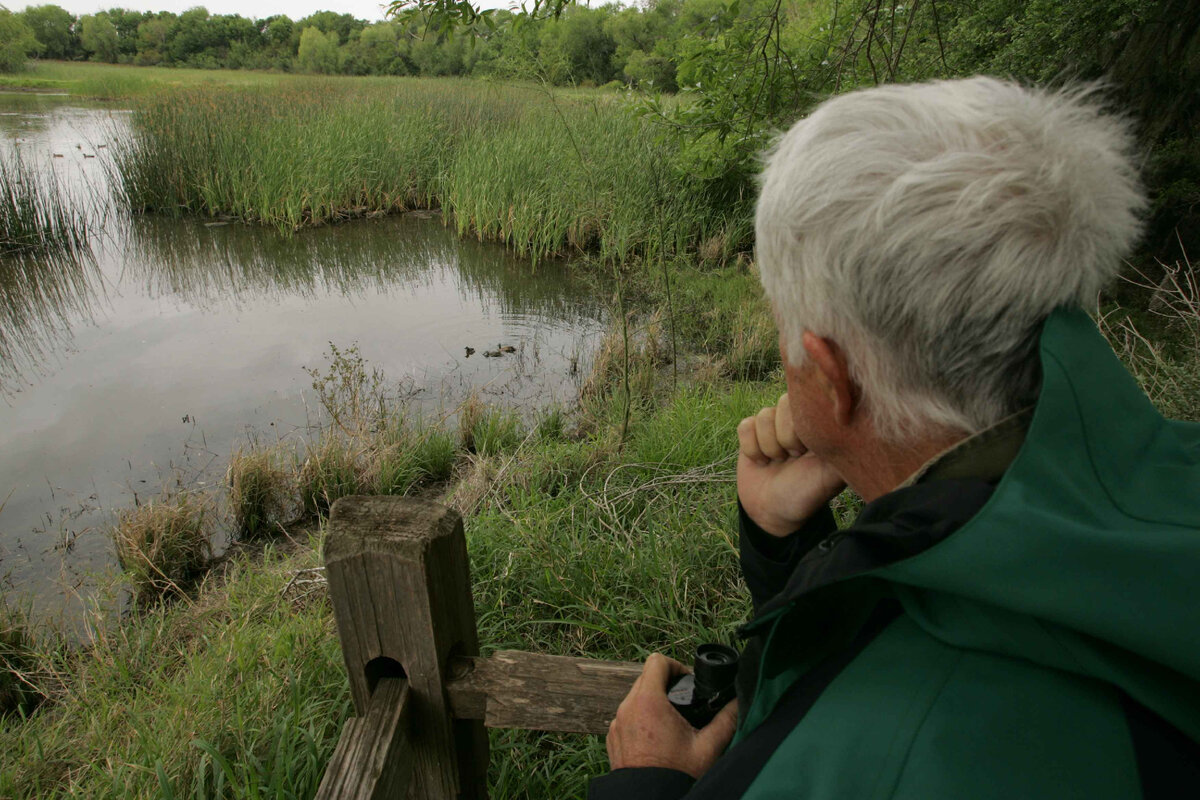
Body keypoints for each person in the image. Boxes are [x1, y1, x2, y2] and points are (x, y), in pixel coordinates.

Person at [589, 76, 1200, 799]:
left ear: (833, 375)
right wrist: (785, 546)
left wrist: (648, 785)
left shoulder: (874, 761)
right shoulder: (1172, 475)